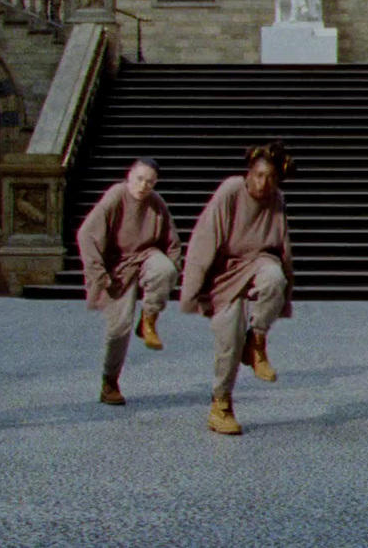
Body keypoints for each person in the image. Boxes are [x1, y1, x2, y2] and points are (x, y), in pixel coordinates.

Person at [180, 142, 296, 435]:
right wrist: (192, 290)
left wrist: (286, 293)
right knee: (228, 339)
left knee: (274, 278)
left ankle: (256, 342)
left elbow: (282, 245)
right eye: (258, 175)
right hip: (224, 271)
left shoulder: (276, 198)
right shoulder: (232, 190)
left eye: (270, 177)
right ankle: (221, 403)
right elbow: (205, 237)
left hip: (259, 260)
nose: (263, 183)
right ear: (249, 173)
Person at [76, 157, 182, 406]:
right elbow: (86, 235)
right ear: (129, 177)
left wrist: (173, 272)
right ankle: (110, 382)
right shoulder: (116, 196)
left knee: (164, 269)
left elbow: (172, 241)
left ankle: (148, 319)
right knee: (118, 328)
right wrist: (99, 274)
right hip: (116, 267)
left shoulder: (156, 203)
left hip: (146, 255)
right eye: (140, 179)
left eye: (150, 182)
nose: (144, 186)